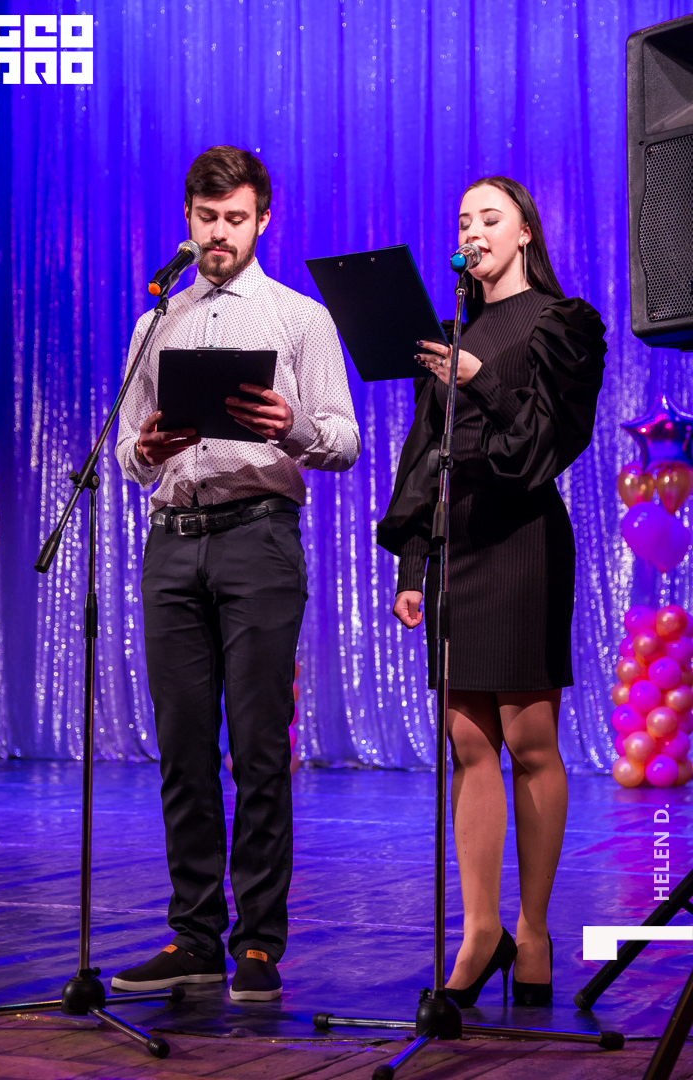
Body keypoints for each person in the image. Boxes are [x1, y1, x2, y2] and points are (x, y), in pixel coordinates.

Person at [113, 146, 360, 1001]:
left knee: (257, 747)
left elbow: (344, 439)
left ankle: (257, 944)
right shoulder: (156, 323)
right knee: (182, 746)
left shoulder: (299, 318)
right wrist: (145, 450)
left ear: (263, 221)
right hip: (172, 541)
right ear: (188, 219)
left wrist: (291, 427)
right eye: (207, 218)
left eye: (236, 219)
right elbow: (125, 448)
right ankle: (193, 937)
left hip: (258, 538)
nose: (220, 234)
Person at [378, 176, 606, 1007]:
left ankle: (533, 928)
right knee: (467, 742)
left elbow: (546, 445)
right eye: (463, 220)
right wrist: (412, 562)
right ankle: (482, 932)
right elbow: (423, 450)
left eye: (490, 218)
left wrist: (480, 380)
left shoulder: (561, 323)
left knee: (529, 739)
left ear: (524, 235)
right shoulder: (449, 332)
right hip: (457, 540)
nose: (473, 231)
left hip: (521, 538)